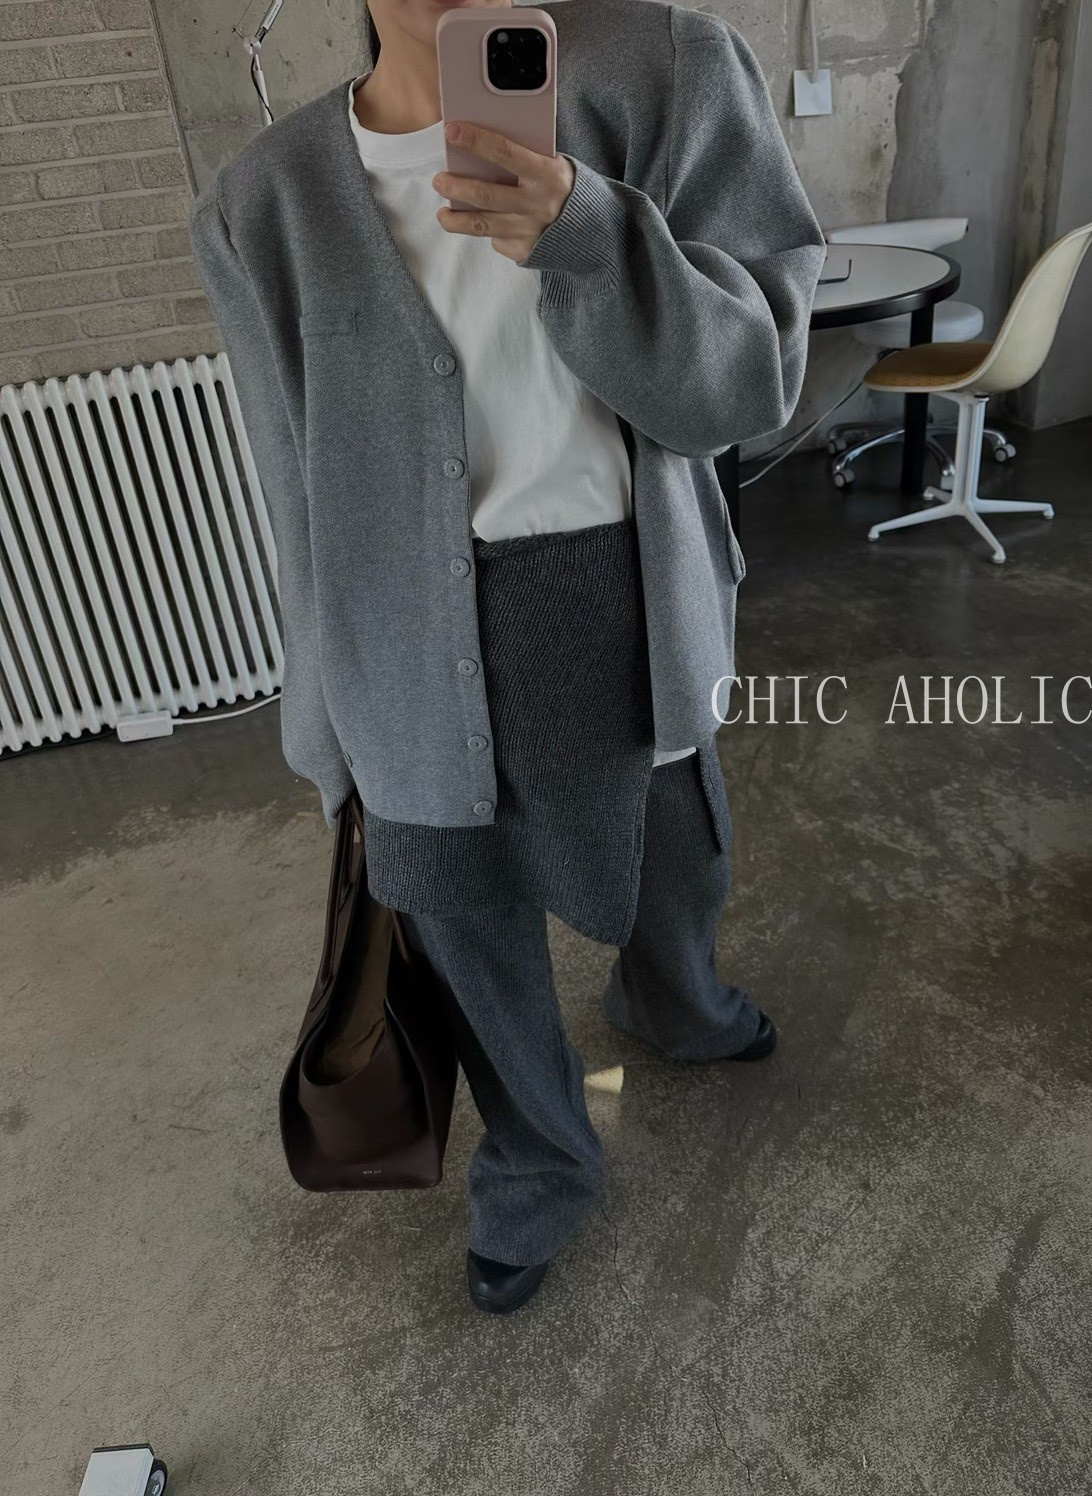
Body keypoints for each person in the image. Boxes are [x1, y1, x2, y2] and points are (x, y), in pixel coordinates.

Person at [189, 0, 826, 1314]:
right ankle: (539, 1167)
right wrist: (324, 727)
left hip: (621, 601)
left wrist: (589, 230)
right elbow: (294, 495)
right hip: (399, 643)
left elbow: (750, 386)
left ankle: (679, 1002)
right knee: (466, 934)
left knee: (676, 860)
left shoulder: (666, 69)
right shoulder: (264, 203)